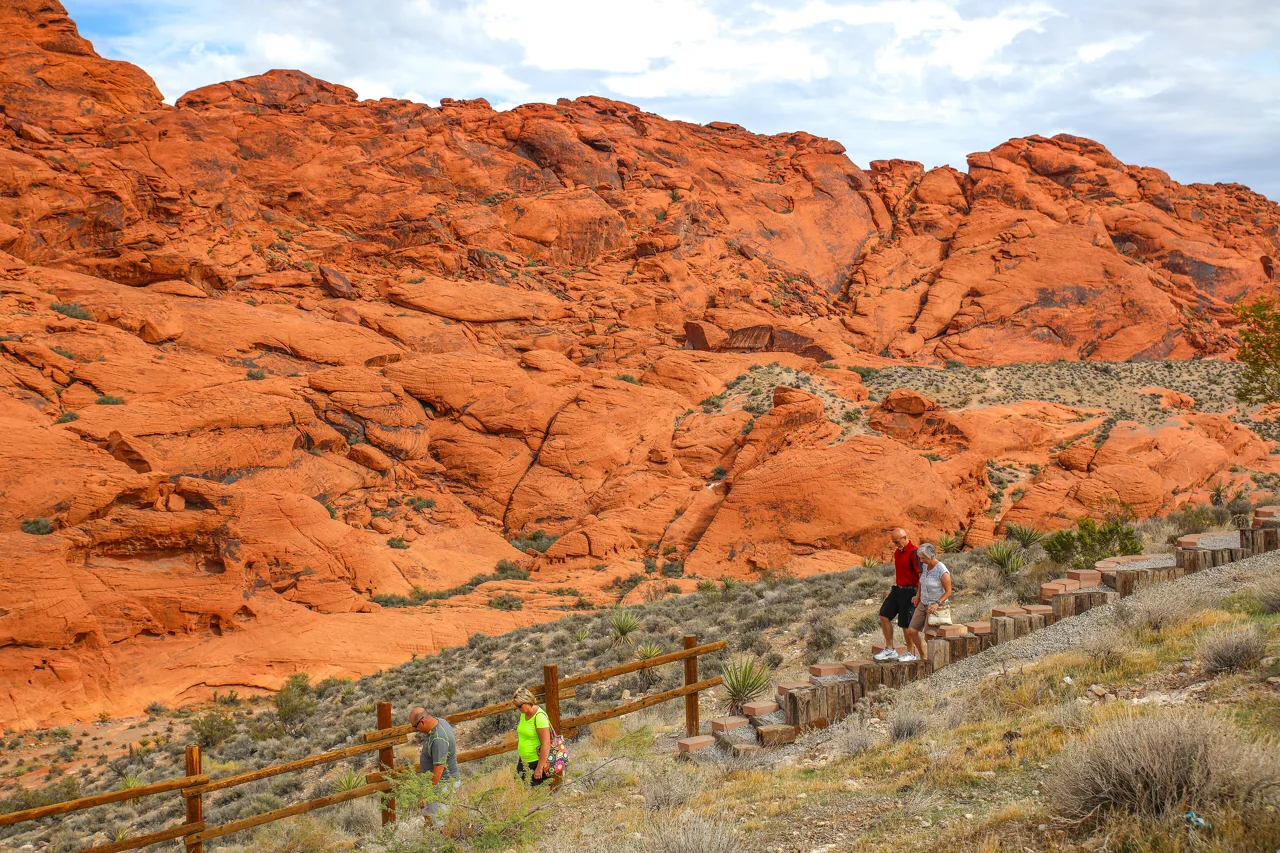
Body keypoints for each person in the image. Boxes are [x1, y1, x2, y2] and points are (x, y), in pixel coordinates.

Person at [875, 528, 921, 661]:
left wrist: (918, 594)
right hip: (898, 589)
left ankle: (911, 653)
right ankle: (890, 649)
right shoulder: (897, 552)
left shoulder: (915, 552)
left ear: (905, 537)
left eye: (897, 542)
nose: (896, 545)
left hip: (911, 591)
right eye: (894, 543)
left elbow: (921, 575)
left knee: (905, 623)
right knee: (884, 615)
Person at [409, 707, 460, 824]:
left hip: (443, 785)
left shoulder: (438, 739)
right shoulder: (440, 722)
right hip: (435, 784)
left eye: (415, 726)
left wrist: (426, 794)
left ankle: (439, 841)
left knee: (439, 823)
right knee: (428, 817)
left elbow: (438, 771)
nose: (415, 729)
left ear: (422, 722)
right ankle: (431, 839)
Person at [904, 543, 953, 663]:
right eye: (920, 558)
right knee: (911, 631)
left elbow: (948, 592)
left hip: (936, 607)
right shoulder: (925, 566)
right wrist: (918, 596)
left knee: (928, 637)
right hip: (923, 602)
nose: (921, 560)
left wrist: (937, 604)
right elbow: (922, 581)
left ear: (931, 556)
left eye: (923, 558)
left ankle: (936, 660)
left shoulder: (942, 570)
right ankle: (923, 656)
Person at [513, 687, 556, 788]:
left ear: (527, 701)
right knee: (522, 793)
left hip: (535, 762)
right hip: (524, 761)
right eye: (516, 707)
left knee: (537, 796)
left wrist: (539, 768)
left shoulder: (539, 717)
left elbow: (546, 744)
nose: (518, 709)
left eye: (519, 706)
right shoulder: (524, 714)